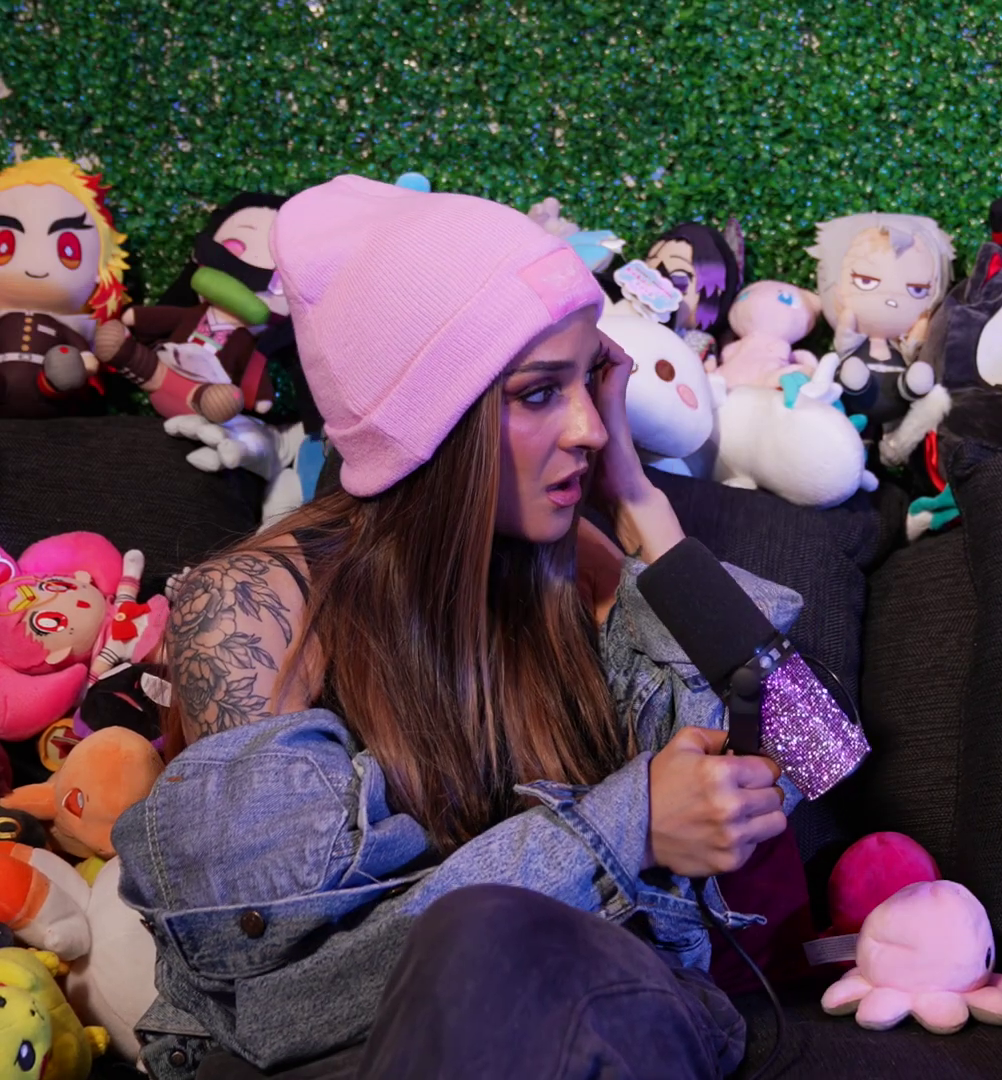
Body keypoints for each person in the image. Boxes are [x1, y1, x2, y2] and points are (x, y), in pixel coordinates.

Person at [116, 176, 808, 1080]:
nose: (593, 430)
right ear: (429, 422)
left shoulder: (573, 570)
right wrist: (623, 829)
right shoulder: (253, 606)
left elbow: (813, 748)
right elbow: (283, 997)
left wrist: (643, 505)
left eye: (591, 383)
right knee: (490, 944)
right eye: (539, 392)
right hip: (349, 1061)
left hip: (584, 1035)